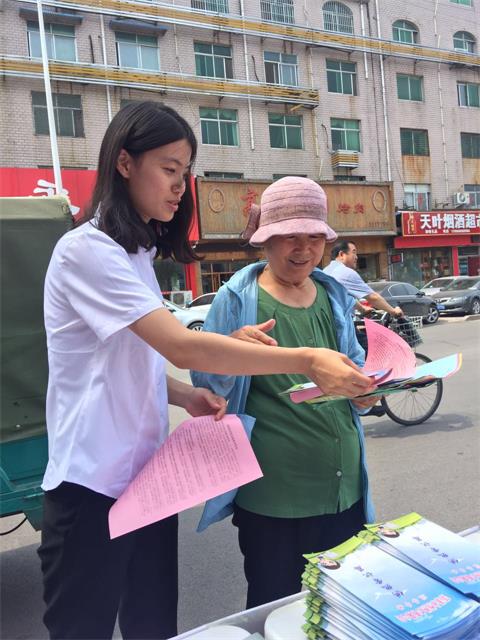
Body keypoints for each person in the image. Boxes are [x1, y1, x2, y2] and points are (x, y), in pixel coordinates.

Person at [38, 103, 376, 640]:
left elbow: (124, 364)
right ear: (124, 163)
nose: (180, 187)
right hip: (91, 484)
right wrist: (306, 358)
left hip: (147, 479)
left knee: (153, 626)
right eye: (169, 169)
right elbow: (181, 345)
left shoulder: (136, 254)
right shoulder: (87, 251)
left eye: (185, 172)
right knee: (83, 628)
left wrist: (181, 396)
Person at [191, 177, 378, 609]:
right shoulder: (237, 299)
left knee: (342, 610)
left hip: (343, 489)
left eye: (315, 238)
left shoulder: (332, 294)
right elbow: (206, 385)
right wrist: (231, 349)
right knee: (277, 609)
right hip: (273, 496)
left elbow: (353, 366)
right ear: (267, 240)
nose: (304, 249)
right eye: (291, 237)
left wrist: (365, 392)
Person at [323, 241, 404, 317]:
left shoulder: (326, 271)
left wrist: (362, 309)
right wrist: (393, 311)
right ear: (341, 254)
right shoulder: (346, 272)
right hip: (339, 321)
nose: (356, 257)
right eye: (353, 252)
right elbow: (373, 297)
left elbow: (346, 297)